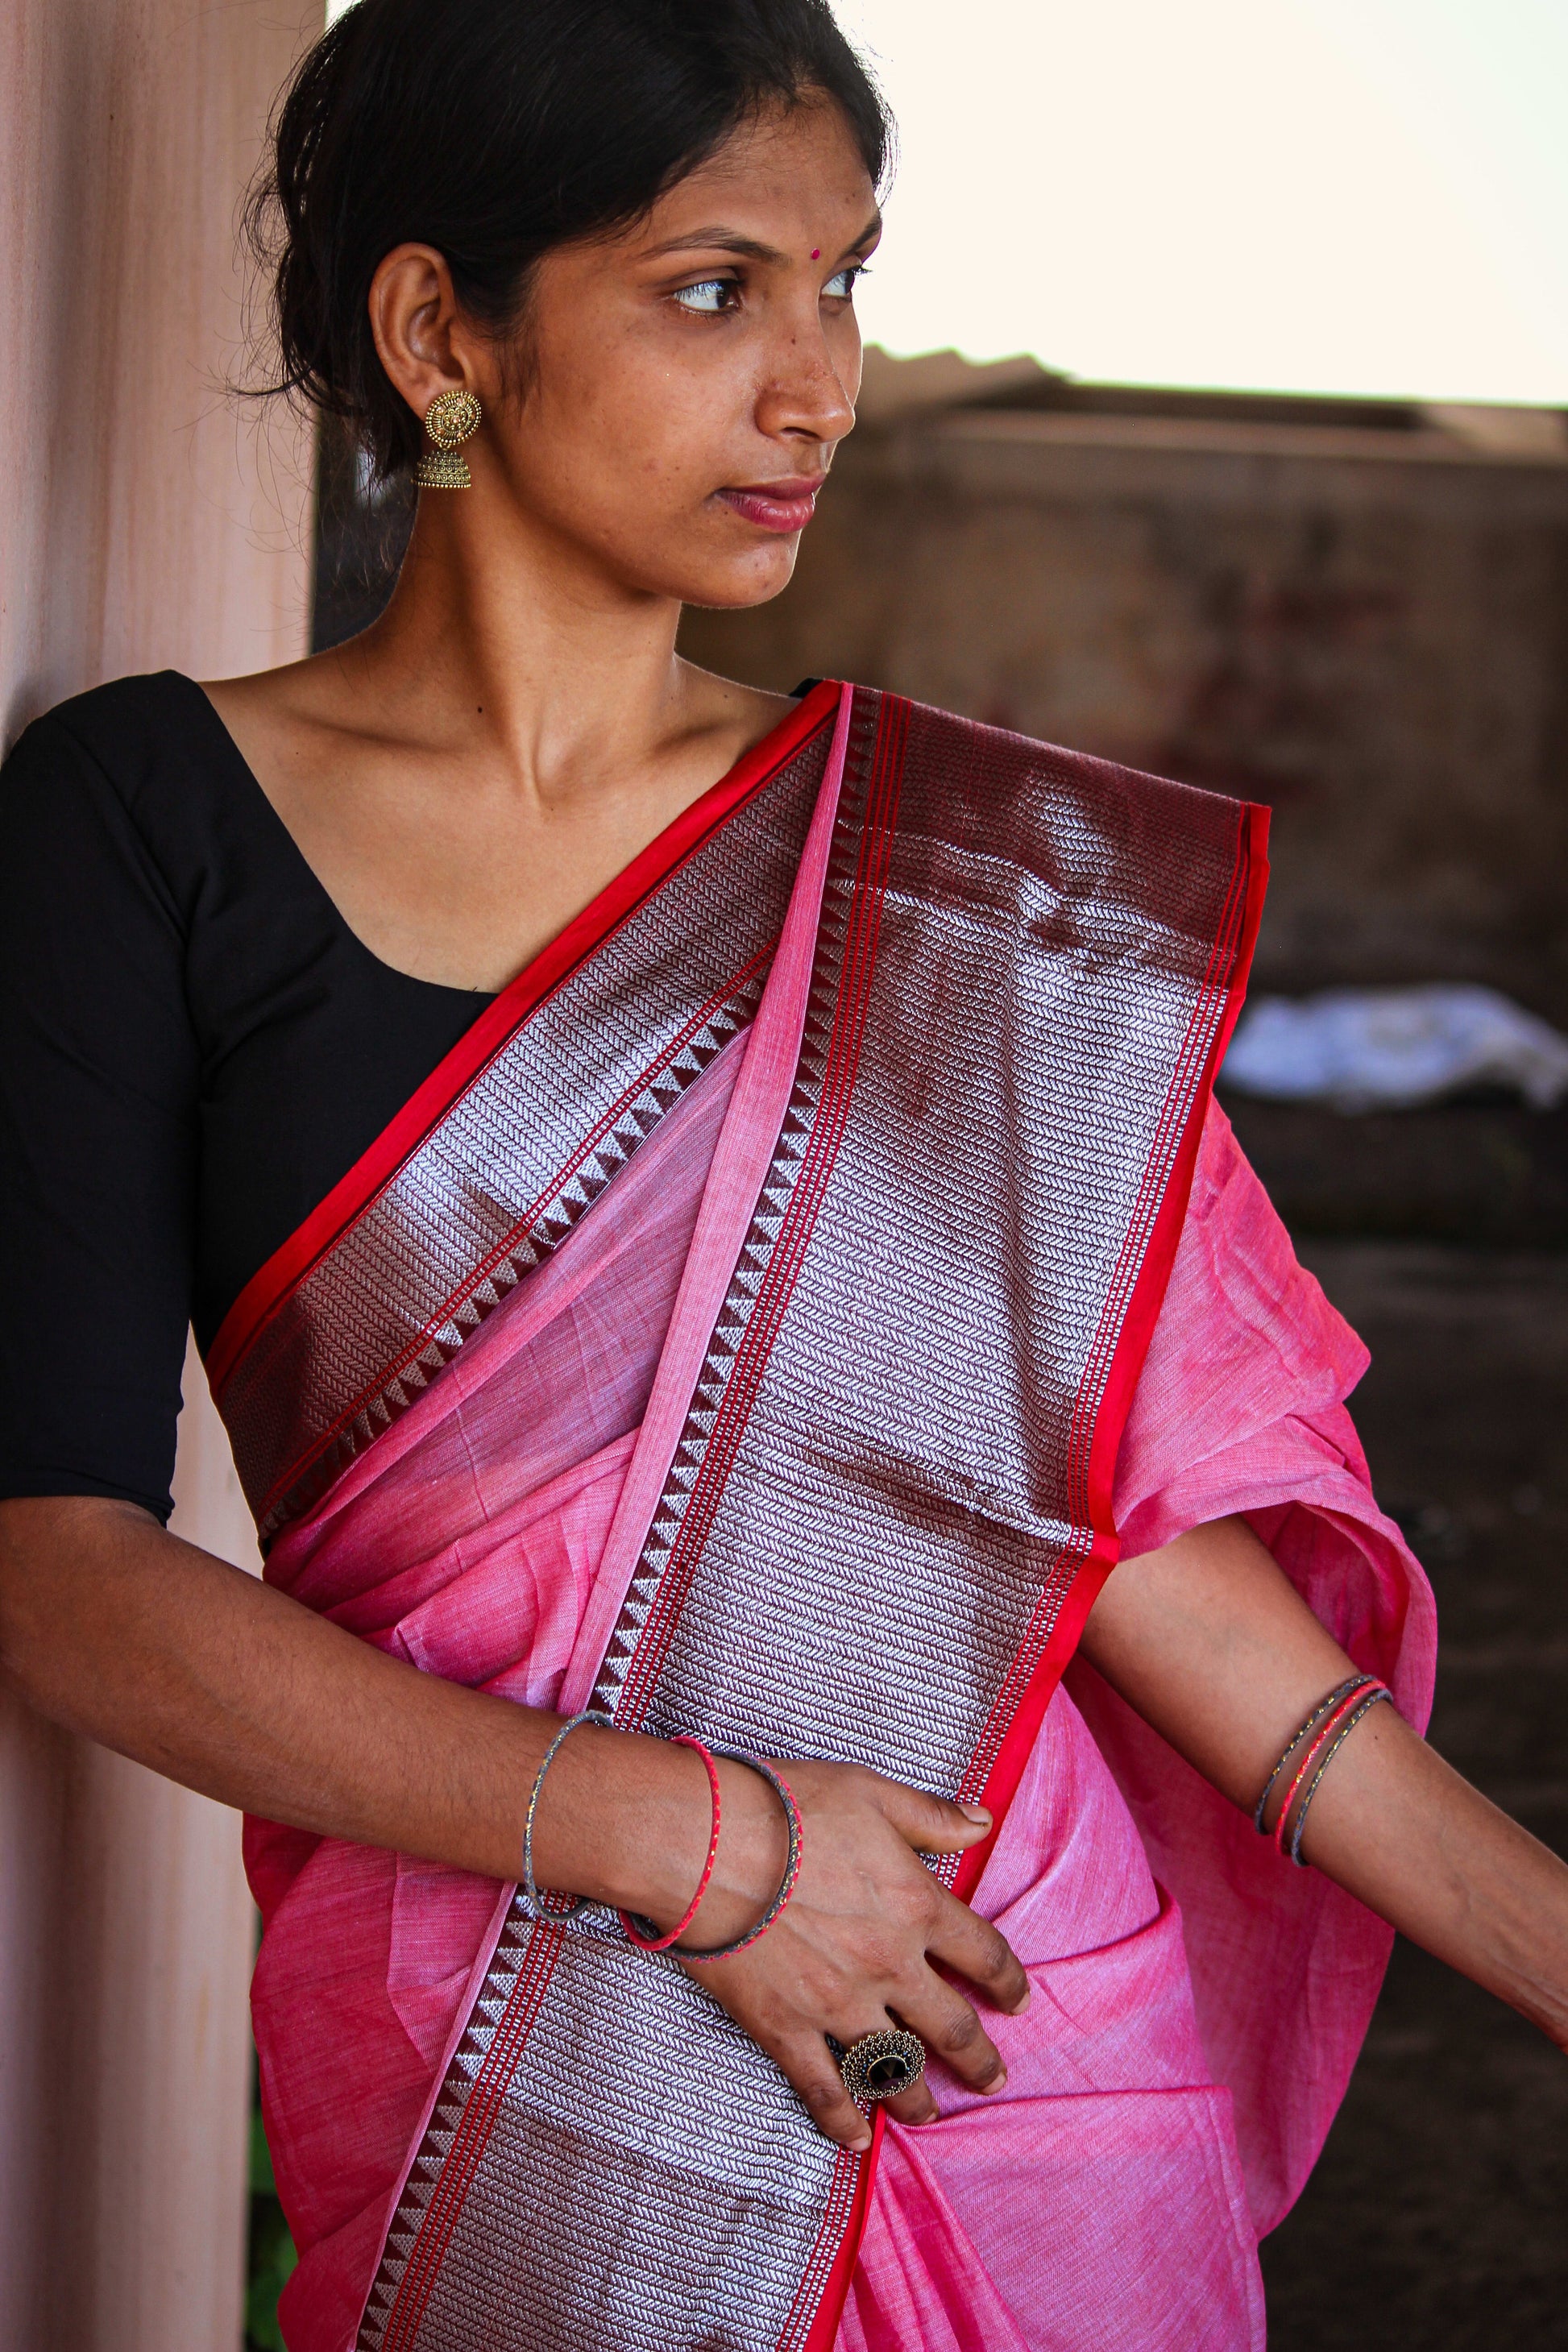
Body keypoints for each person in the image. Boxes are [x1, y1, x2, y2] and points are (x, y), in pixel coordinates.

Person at [0, 4, 1563, 2347]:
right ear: (439, 331)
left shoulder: (953, 893)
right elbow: (60, 1576)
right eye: (716, 288)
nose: (820, 383)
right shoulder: (148, 826)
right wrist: (715, 1850)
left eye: (843, 285)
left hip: (1004, 2044)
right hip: (505, 2079)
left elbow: (1138, 1561)